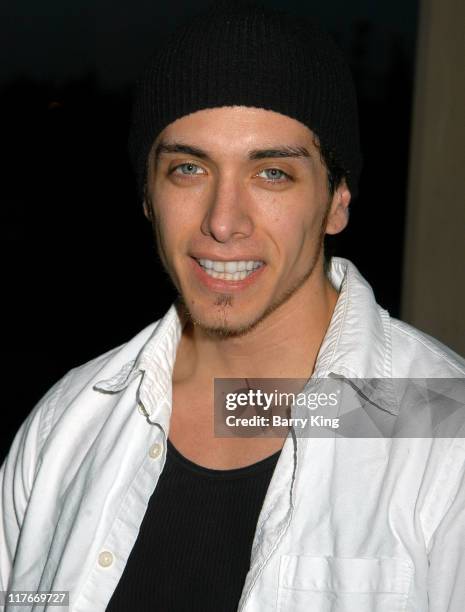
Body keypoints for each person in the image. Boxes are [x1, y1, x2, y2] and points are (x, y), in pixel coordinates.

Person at [1, 2, 465, 611]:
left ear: (337, 202)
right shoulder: (68, 423)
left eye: (272, 173)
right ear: (148, 196)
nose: (223, 222)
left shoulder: (442, 435)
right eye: (188, 168)